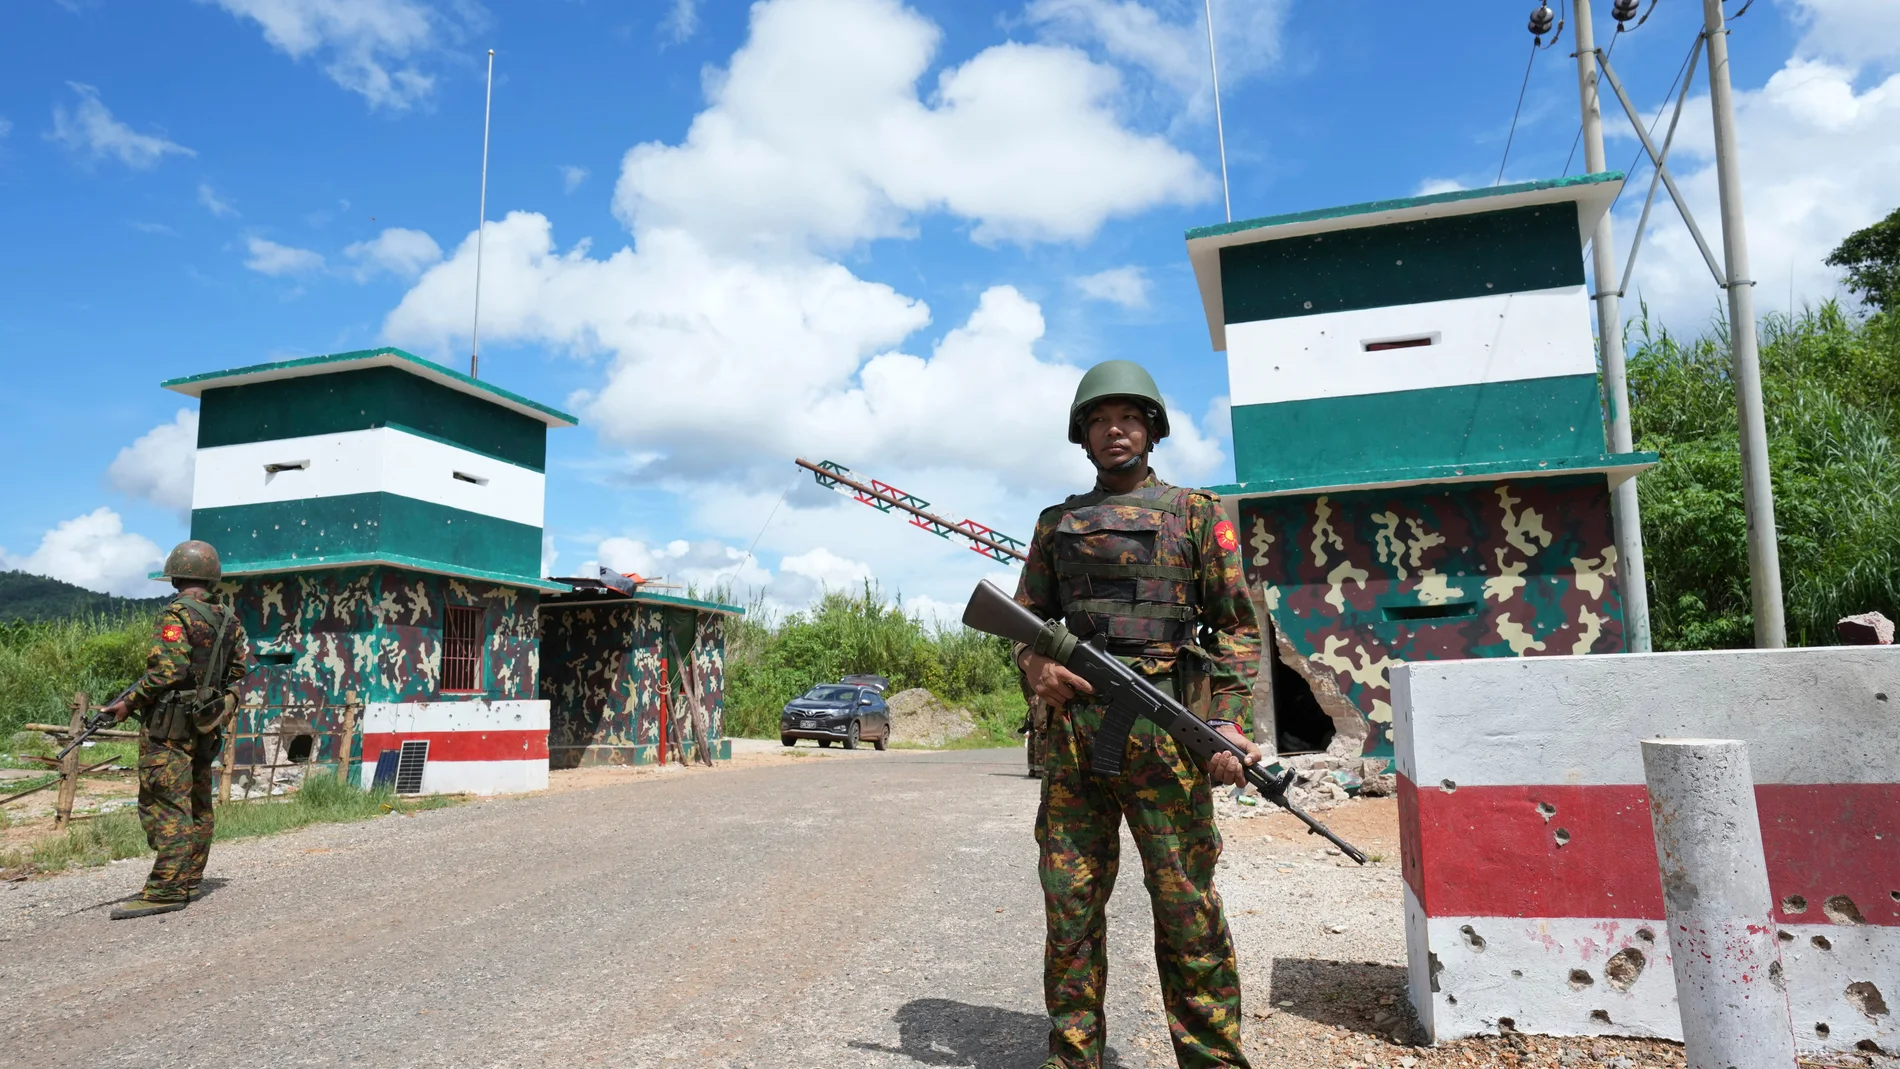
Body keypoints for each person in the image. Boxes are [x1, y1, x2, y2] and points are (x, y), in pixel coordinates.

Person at [1014, 360, 1263, 1069]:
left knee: (1188, 911)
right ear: (1082, 435)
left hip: (1168, 740)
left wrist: (1231, 723)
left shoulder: (1197, 513)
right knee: (1070, 909)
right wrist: (1038, 667)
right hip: (1073, 747)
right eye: (1098, 419)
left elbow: (1238, 629)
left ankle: (1213, 1058)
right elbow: (1025, 623)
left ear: (1151, 429)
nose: (1113, 429)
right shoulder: (1056, 523)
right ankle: (1073, 1056)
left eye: (1127, 417)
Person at [100, 540, 249, 919]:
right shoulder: (229, 621)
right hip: (205, 726)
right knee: (198, 801)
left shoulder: (176, 615)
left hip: (170, 729)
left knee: (165, 802)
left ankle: (166, 888)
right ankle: (188, 879)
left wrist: (127, 704)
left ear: (175, 576)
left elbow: (168, 671)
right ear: (211, 578)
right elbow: (237, 675)